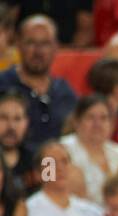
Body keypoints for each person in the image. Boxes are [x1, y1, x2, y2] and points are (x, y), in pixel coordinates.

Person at [0, 15, 76, 146]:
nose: (38, 51)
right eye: (31, 42)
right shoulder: (3, 84)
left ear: (56, 47)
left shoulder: (64, 92)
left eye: (45, 43)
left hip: (52, 164)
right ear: (18, 45)